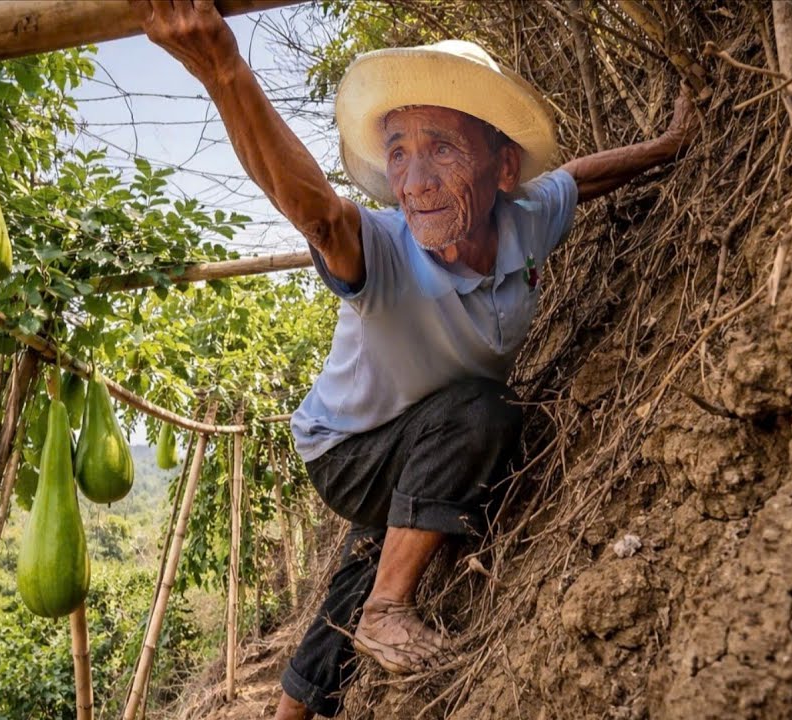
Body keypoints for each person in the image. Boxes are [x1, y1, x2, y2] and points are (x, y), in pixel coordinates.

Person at [145, 2, 700, 717]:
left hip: (414, 442)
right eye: (398, 152)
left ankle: (293, 706)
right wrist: (223, 69)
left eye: (440, 147)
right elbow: (316, 212)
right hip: (347, 451)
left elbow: (581, 180)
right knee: (484, 410)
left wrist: (669, 145)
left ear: (503, 168)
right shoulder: (379, 249)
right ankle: (387, 610)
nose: (413, 180)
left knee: (367, 560)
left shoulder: (525, 218)